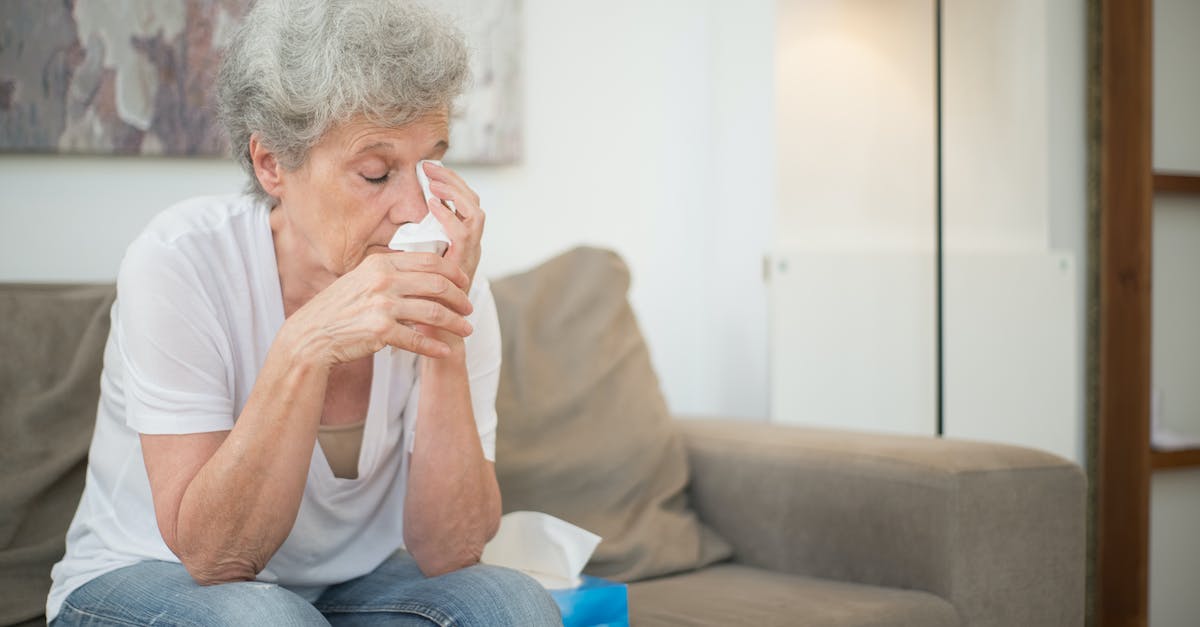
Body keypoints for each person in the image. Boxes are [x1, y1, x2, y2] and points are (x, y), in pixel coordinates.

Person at [46, 0, 561, 624]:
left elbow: (452, 550)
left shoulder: (449, 272)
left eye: (429, 164)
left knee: (512, 604)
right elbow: (214, 559)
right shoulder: (180, 262)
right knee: (264, 619)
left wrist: (442, 326)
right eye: (376, 173)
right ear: (271, 164)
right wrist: (305, 345)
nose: (415, 208)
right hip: (149, 576)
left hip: (350, 586)